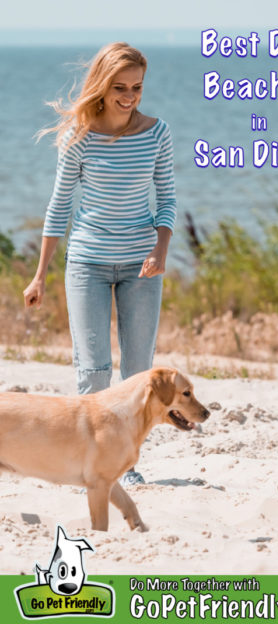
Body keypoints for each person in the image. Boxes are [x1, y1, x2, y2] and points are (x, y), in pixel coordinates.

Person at [23, 42, 176, 486]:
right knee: (93, 370)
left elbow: (166, 199)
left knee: (137, 372)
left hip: (141, 266)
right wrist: (40, 275)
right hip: (87, 262)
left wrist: (160, 249)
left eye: (137, 87)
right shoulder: (79, 136)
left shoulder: (157, 132)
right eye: (120, 87)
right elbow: (59, 207)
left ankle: (127, 463)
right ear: (103, 87)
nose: (129, 96)